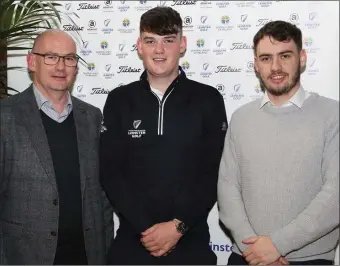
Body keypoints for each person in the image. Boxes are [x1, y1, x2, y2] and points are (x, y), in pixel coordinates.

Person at [100, 6, 227, 265]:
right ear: (139, 46)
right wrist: (149, 230)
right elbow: (110, 172)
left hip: (191, 243)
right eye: (151, 41)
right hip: (132, 242)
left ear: (182, 45)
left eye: (168, 41)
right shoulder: (119, 100)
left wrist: (178, 227)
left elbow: (215, 172)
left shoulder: (209, 99)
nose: (159, 50)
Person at [218, 20, 339, 265]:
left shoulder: (332, 115)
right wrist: (253, 248)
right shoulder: (241, 117)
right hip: (244, 256)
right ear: (256, 64)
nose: (275, 67)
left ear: (302, 58)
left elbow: (335, 194)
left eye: (285, 55)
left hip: (310, 259)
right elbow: (228, 188)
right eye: (265, 58)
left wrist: (277, 245)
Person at [0, 29, 114, 265]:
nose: (61, 67)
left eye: (69, 58)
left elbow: (101, 196)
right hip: (24, 256)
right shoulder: (5, 117)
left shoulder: (92, 117)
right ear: (32, 62)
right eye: (51, 57)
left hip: (86, 256)